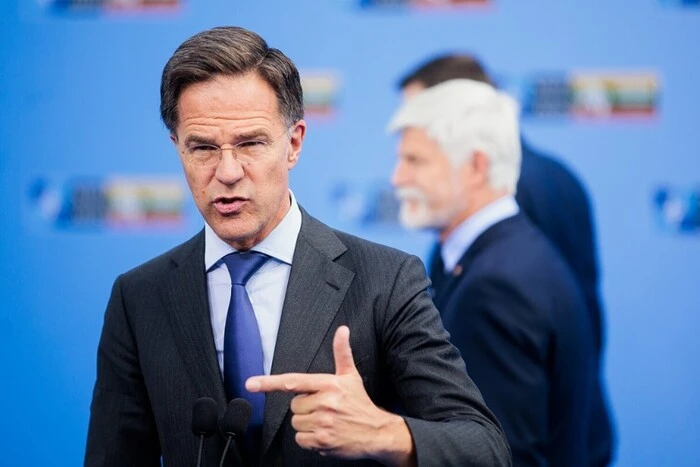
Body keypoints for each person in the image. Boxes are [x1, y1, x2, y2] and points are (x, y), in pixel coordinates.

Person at [84, 26, 511, 467]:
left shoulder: (385, 281)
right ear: (178, 149)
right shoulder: (139, 298)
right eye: (204, 148)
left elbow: (485, 448)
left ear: (293, 144)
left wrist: (384, 433)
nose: (227, 172)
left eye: (251, 143)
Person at [397, 54, 614, 467]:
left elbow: (503, 439)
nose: (399, 174)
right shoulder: (554, 176)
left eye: (420, 117)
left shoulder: (500, 262)